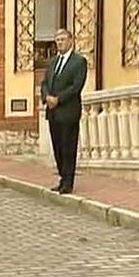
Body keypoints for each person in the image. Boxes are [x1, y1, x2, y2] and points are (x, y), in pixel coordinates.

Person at [41, 28, 88, 194]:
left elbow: (76, 86)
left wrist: (58, 99)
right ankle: (62, 177)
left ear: (70, 41)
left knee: (68, 147)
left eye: (62, 39)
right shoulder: (53, 62)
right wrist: (47, 97)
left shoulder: (79, 62)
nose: (59, 43)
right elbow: (45, 83)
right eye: (57, 40)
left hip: (68, 112)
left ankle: (68, 182)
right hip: (53, 113)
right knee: (58, 147)